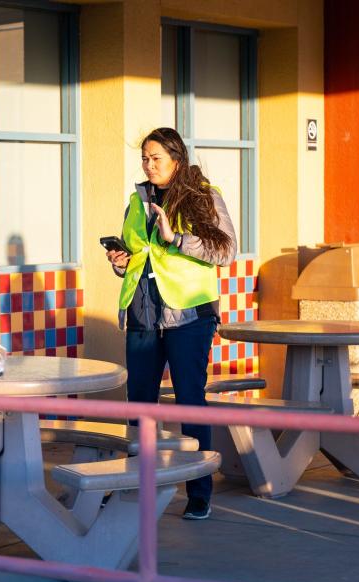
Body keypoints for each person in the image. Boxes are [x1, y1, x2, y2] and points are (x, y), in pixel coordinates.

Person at [106, 127, 237, 520]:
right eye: (145, 158)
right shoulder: (136, 199)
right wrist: (120, 263)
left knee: (190, 402)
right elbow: (139, 254)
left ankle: (199, 492)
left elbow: (226, 249)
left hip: (189, 315)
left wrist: (176, 237)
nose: (149, 165)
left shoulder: (203, 196)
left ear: (177, 159)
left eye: (156, 158)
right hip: (143, 311)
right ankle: (136, 485)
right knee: (140, 405)